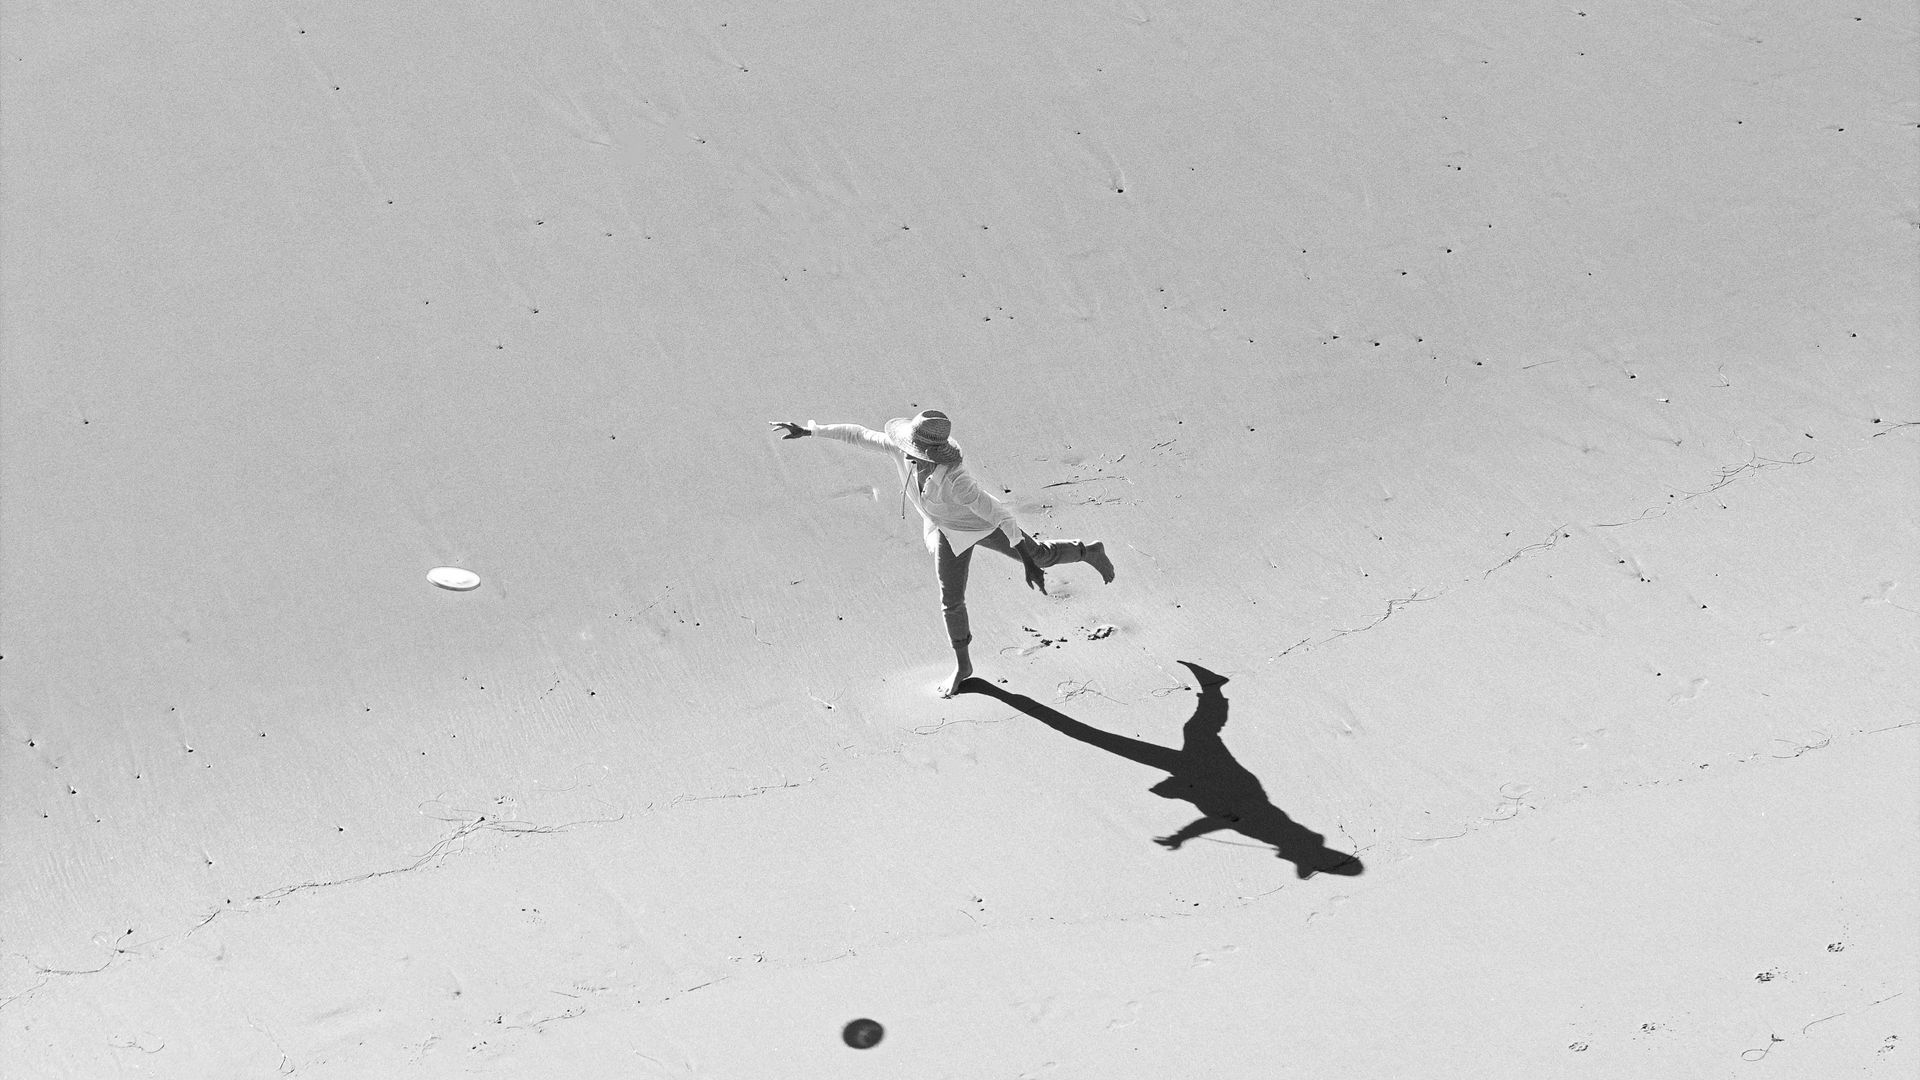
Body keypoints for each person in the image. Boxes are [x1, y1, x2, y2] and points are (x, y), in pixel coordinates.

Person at [771, 411, 1114, 696]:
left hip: (981, 525)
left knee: (1039, 555)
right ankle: (964, 665)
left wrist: (1027, 563)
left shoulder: (957, 480)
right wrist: (810, 431)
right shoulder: (899, 448)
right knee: (950, 599)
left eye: (915, 452)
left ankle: (1088, 551)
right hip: (946, 532)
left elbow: (1003, 518)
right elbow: (857, 434)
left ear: (932, 455)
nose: (907, 455)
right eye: (908, 447)